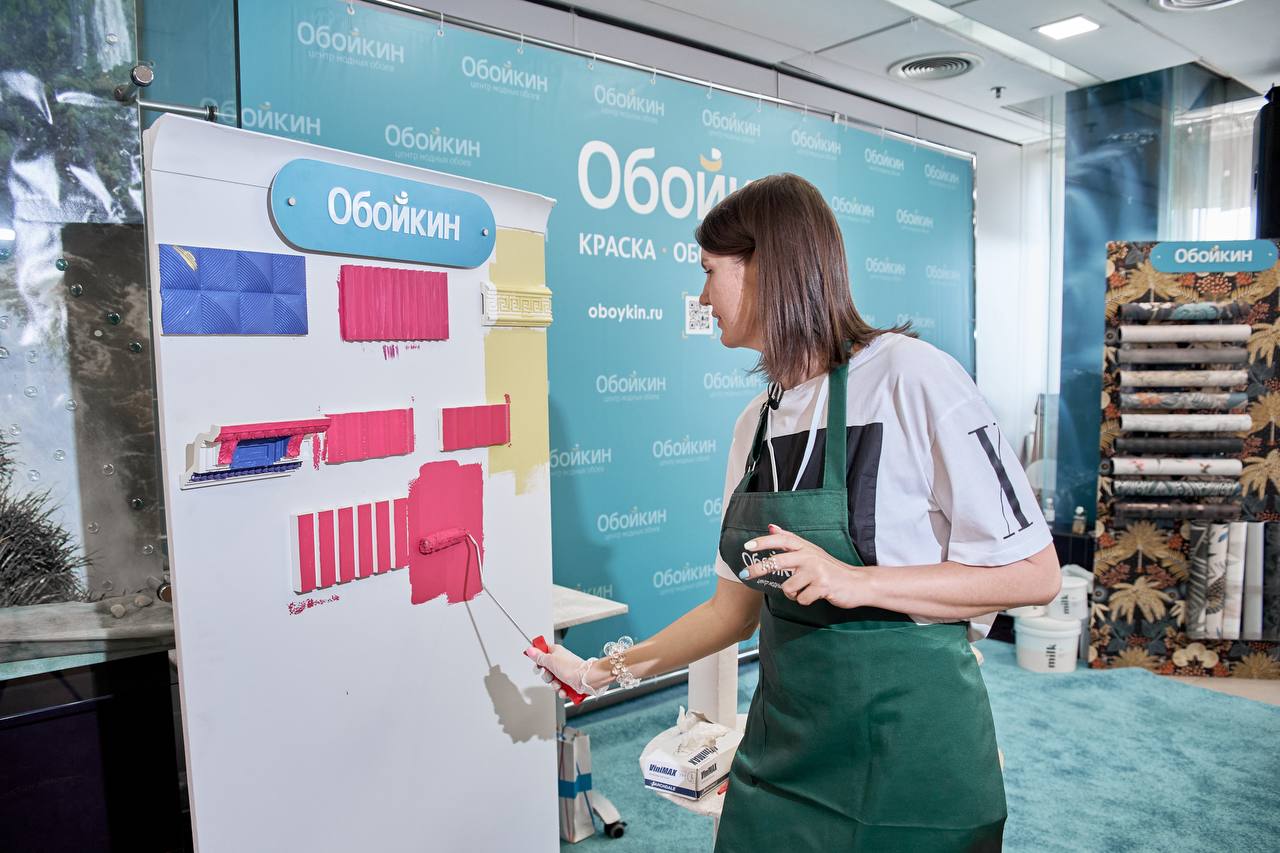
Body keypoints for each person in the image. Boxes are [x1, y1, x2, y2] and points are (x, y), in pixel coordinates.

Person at [528, 173, 1061, 851]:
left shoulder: (913, 377)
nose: (701, 297)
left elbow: (1034, 573)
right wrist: (598, 673)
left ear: (766, 265)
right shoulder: (755, 424)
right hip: (784, 752)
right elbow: (731, 613)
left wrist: (855, 581)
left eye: (709, 271)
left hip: (914, 754)